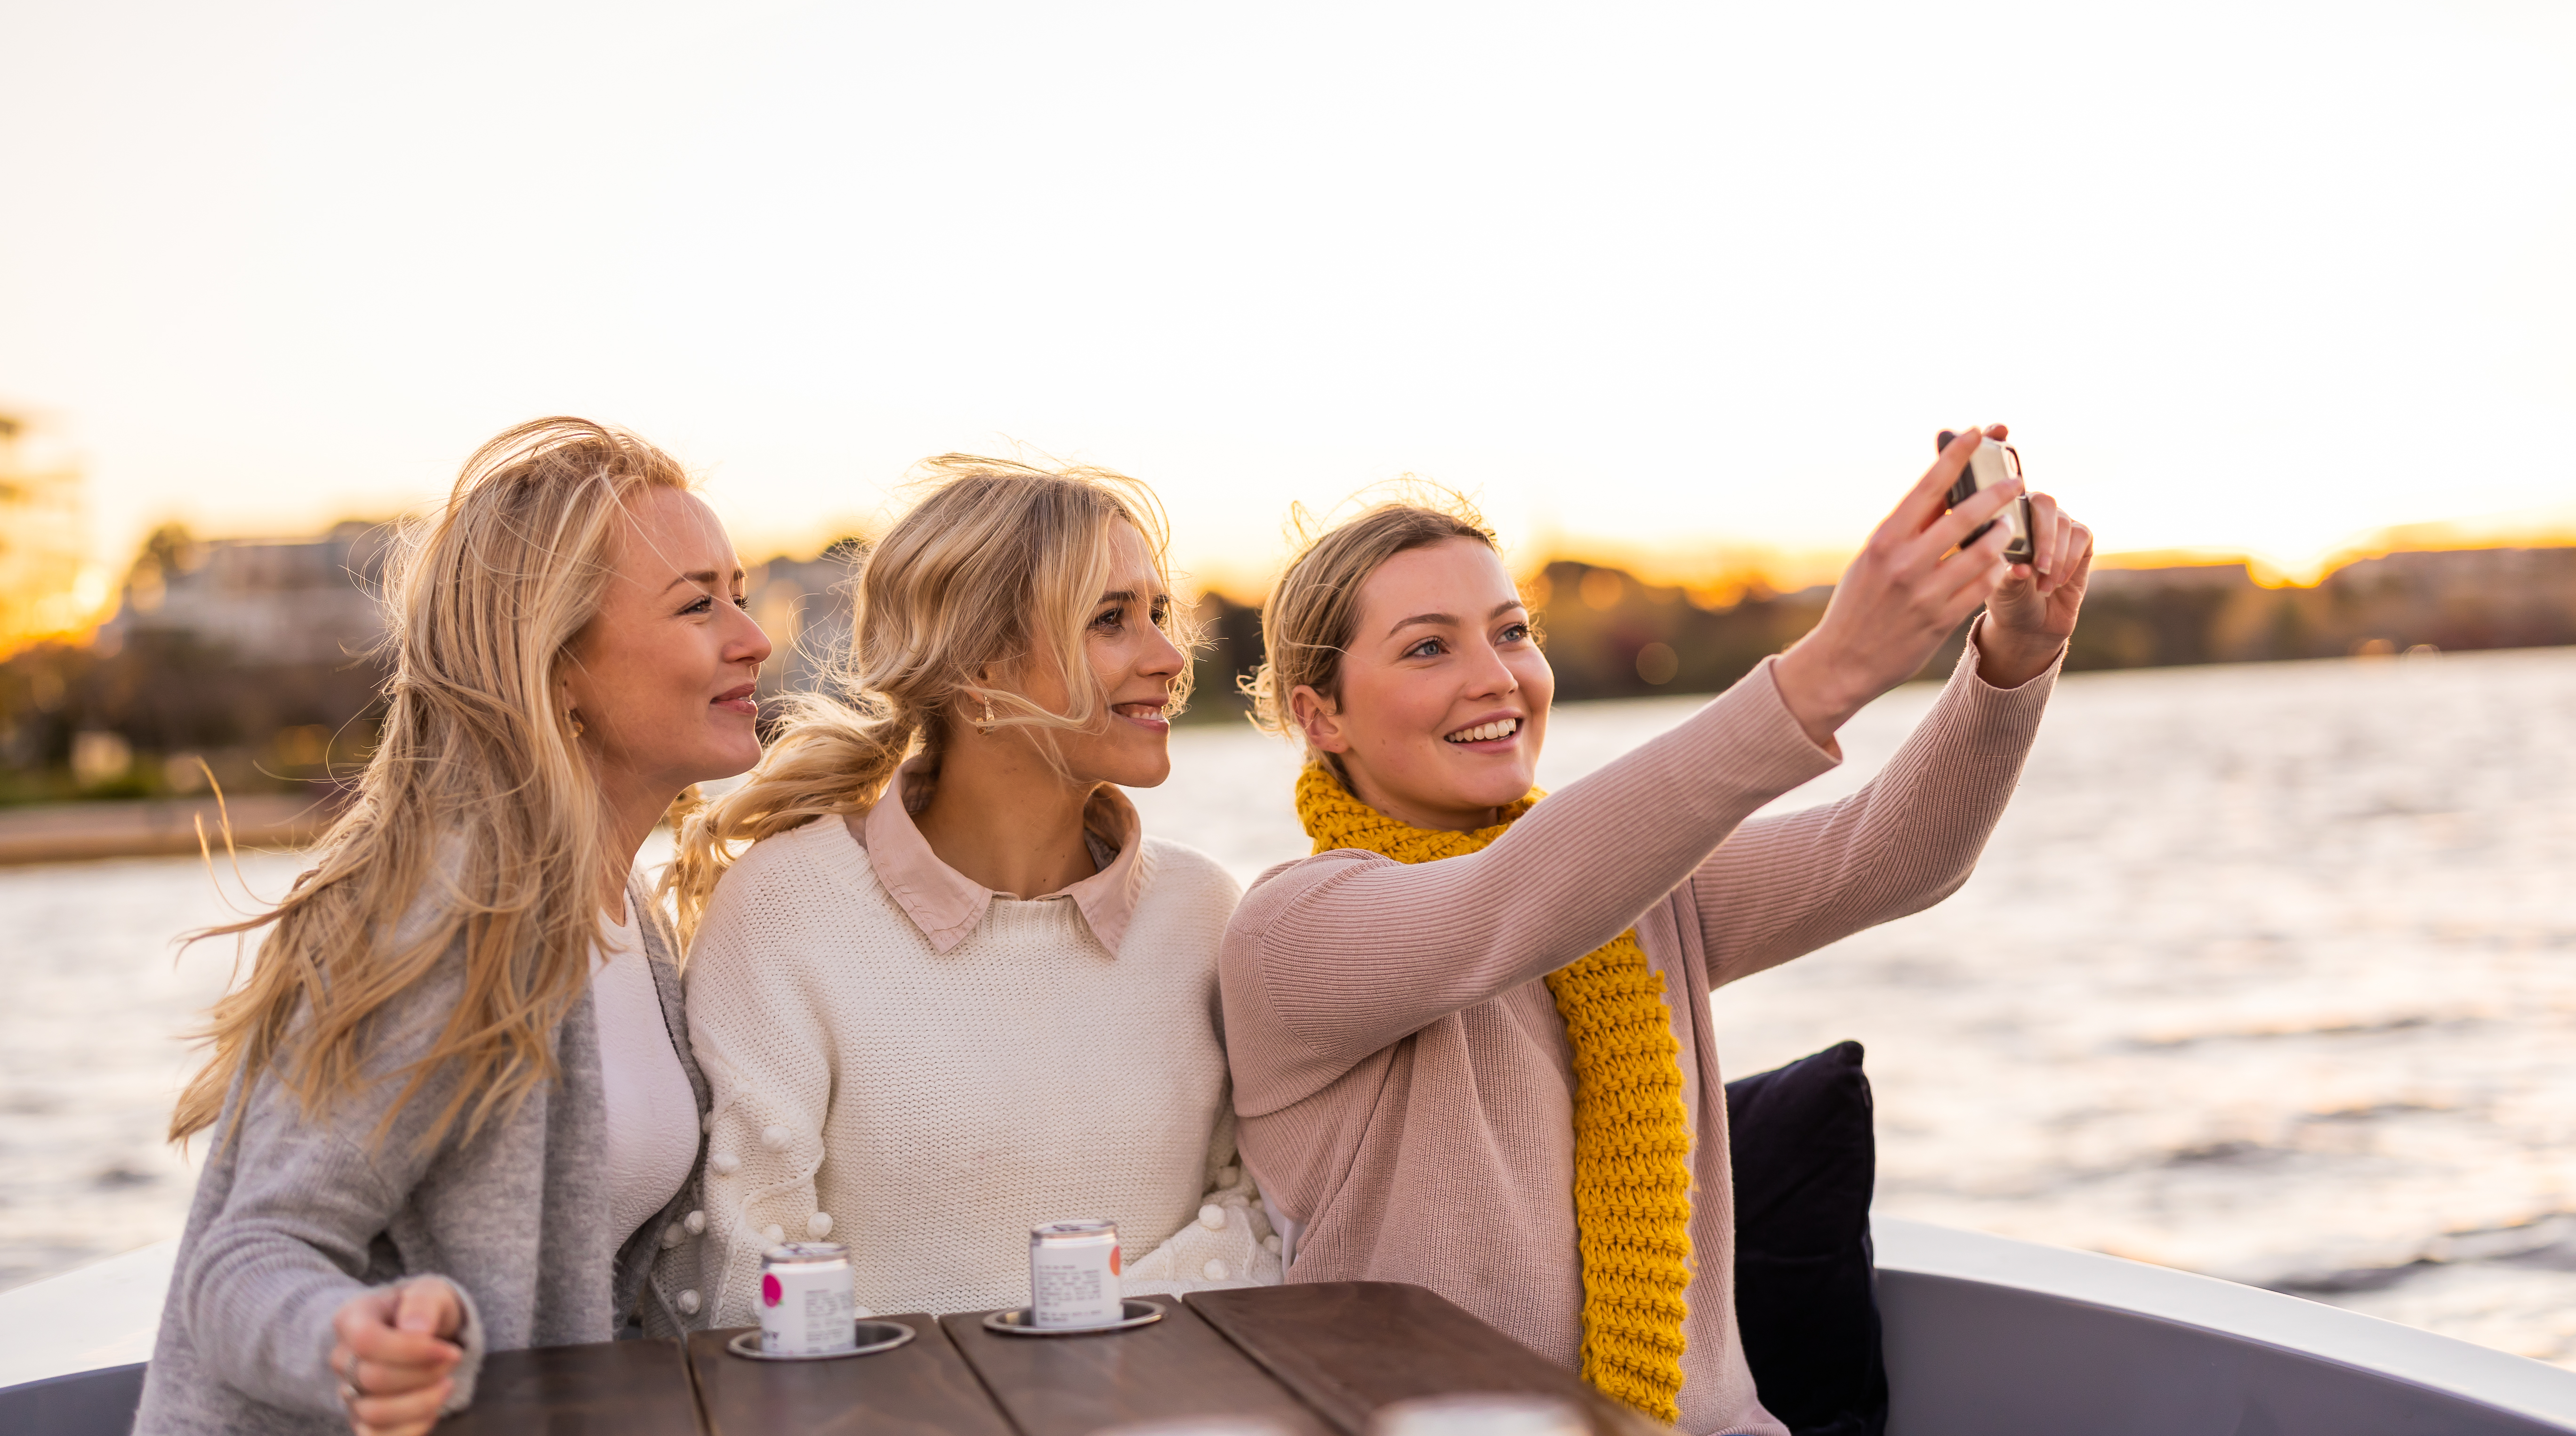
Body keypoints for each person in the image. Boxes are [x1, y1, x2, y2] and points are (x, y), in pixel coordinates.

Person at [1221, 429, 2093, 1435]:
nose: (1497, 677)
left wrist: (2013, 660)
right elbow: (1503, 908)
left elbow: (1894, 855)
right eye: (1429, 646)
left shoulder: (1630, 884)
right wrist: (1830, 670)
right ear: (1319, 716)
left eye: (1511, 632)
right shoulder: (1295, 933)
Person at [136, 418, 770, 1436]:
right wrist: (358, 1336)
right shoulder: (454, 907)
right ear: (555, 663)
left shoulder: (623, 911)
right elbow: (247, 1260)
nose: (753, 635)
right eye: (700, 604)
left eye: (740, 593)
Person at [668, 455, 1275, 1326]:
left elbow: (1253, 1223)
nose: (1170, 657)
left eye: (1158, 613)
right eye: (1112, 620)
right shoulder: (783, 911)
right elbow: (742, 1272)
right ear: (982, 667)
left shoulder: (1207, 911)